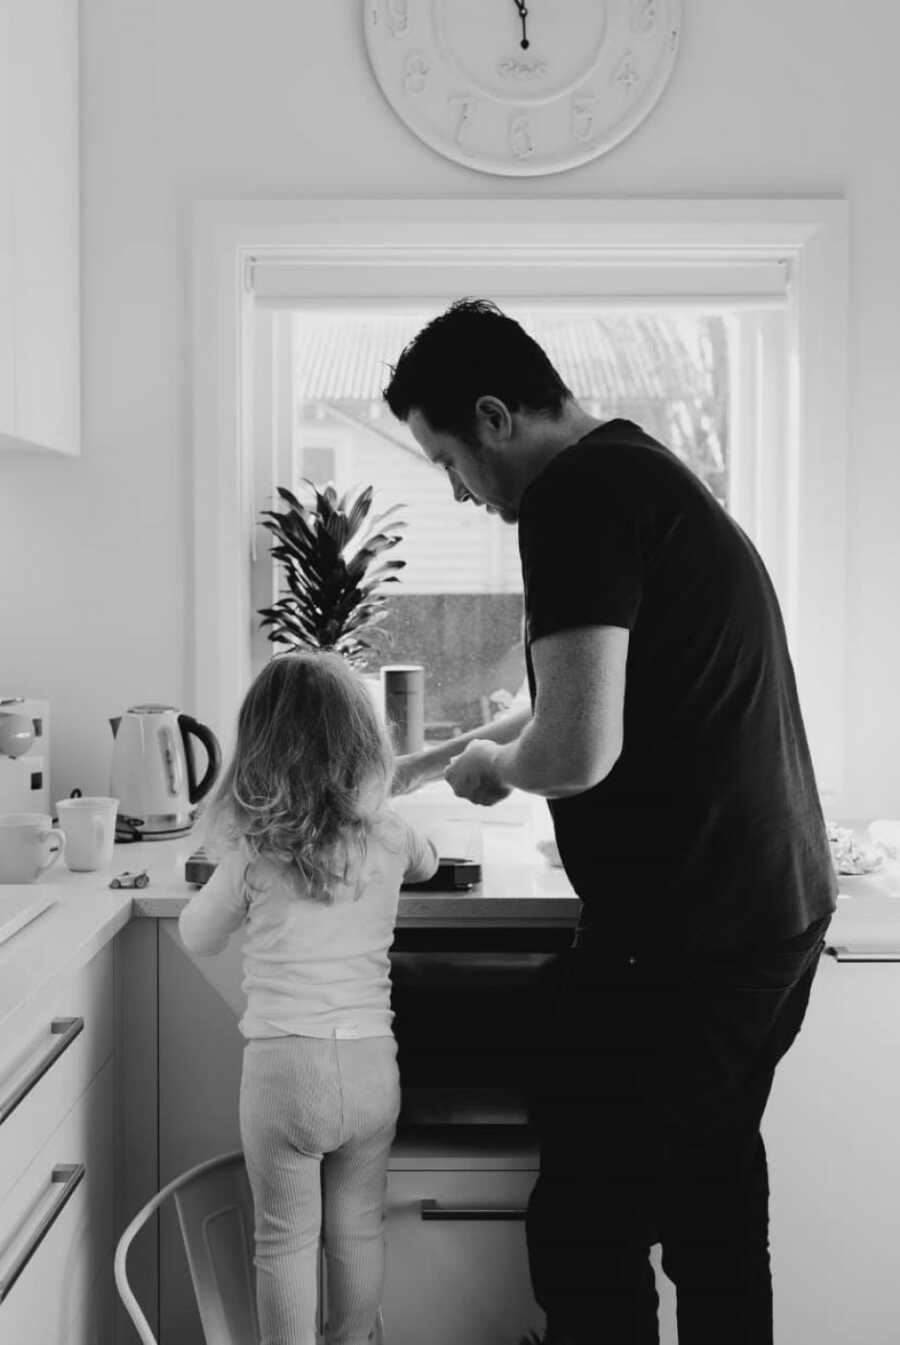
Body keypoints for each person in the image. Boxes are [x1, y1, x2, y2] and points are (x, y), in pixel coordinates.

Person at [384, 299, 837, 1345]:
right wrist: (466, 747)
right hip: (762, 909)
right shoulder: (637, 470)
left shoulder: (572, 499)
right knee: (710, 1204)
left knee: (588, 1226)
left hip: (691, 934)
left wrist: (502, 762)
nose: (457, 489)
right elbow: (594, 691)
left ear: (495, 417)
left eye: (447, 458)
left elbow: (578, 750)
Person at [178, 651, 438, 1345]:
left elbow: (197, 935)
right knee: (357, 1225)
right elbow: (431, 860)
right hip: (369, 1069)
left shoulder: (255, 851)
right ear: (365, 746)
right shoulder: (388, 834)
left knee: (285, 1241)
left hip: (284, 1074)